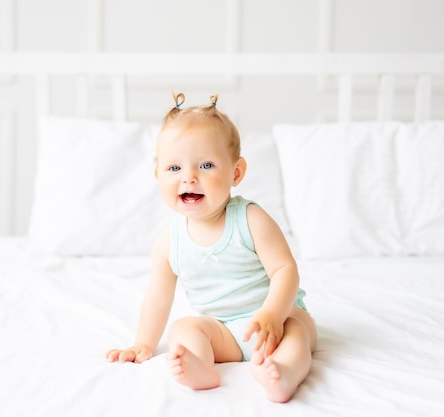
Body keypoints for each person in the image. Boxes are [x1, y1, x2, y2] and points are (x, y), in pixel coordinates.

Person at [105, 92, 317, 403]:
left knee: (299, 331)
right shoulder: (168, 242)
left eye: (206, 165)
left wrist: (272, 314)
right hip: (224, 334)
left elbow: (286, 270)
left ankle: (283, 373)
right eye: (174, 168)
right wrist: (143, 344)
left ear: (236, 172)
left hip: (275, 322)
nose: (189, 177)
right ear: (157, 174)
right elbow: (158, 298)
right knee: (183, 328)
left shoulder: (250, 219)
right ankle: (201, 368)